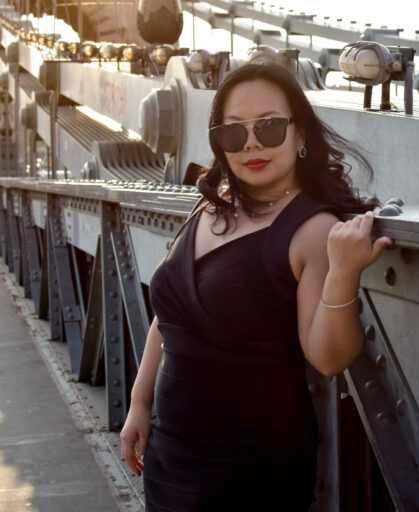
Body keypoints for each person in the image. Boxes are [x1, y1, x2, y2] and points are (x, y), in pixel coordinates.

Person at [119, 62, 392, 510]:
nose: (250, 143)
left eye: (268, 127)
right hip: (172, 453)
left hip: (250, 466)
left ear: (300, 135)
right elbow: (169, 318)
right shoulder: (209, 207)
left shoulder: (310, 229)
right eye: (233, 132)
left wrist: (343, 273)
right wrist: (138, 402)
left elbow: (327, 357)